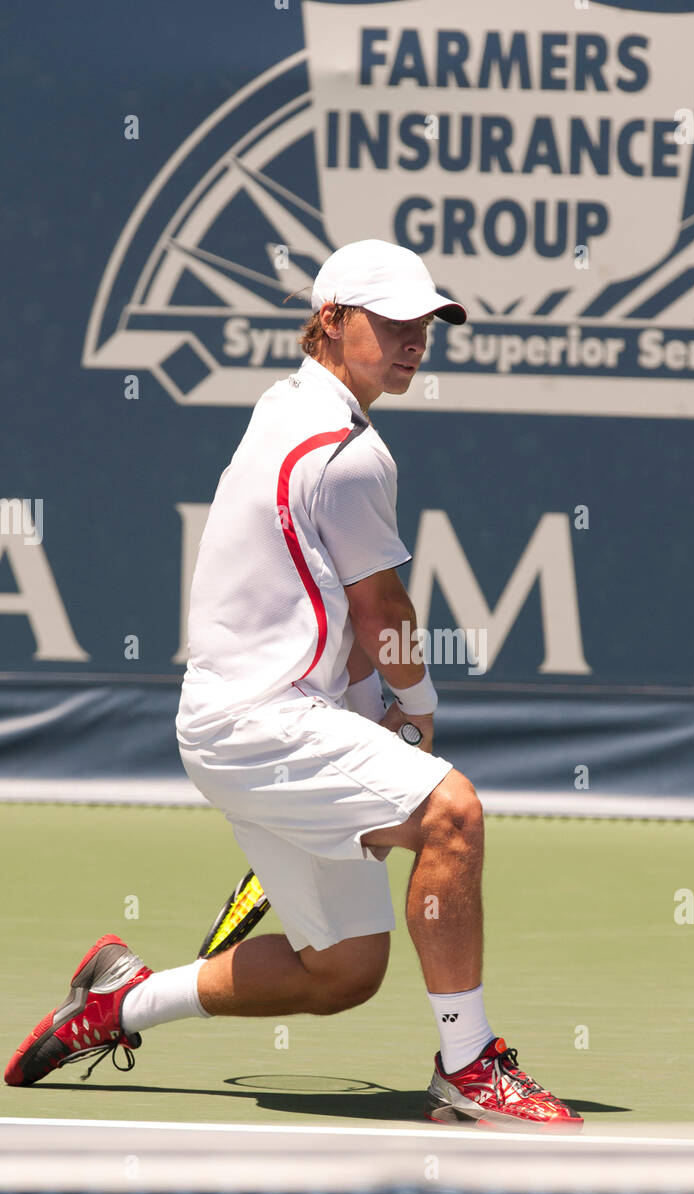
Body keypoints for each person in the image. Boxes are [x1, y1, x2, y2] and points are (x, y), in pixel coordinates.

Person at [5, 240, 582, 1128]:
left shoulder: (286, 406)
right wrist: (418, 716)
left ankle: (115, 1004)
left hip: (240, 714)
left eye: (423, 325)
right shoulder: (347, 451)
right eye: (390, 323)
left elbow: (319, 605)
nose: (412, 342)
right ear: (332, 320)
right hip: (261, 721)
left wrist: (362, 707)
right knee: (453, 814)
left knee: (343, 970)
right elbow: (384, 610)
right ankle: (471, 1069)